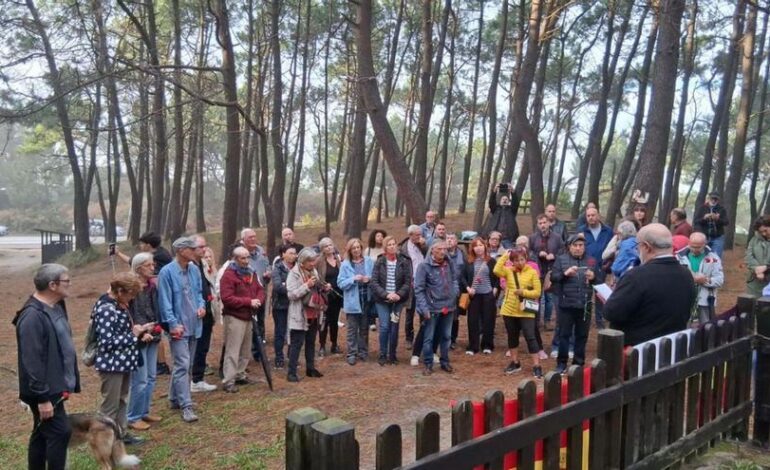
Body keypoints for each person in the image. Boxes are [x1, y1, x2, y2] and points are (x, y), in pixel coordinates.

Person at [14, 264, 81, 470]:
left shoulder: (56, 306)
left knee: (42, 432)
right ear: (52, 285)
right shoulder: (32, 316)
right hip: (45, 389)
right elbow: (32, 361)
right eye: (66, 280)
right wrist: (42, 398)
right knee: (60, 432)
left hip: (56, 384)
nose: (70, 284)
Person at [604, 224, 696, 346]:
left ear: (646, 247)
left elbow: (612, 313)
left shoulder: (636, 276)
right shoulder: (686, 274)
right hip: (672, 346)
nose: (637, 251)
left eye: (637, 246)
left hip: (639, 349)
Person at [92, 273, 153, 444]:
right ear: (119, 291)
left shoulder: (117, 305)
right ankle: (104, 441)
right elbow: (106, 342)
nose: (132, 299)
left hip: (123, 362)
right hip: (111, 365)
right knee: (110, 406)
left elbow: (120, 332)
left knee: (121, 400)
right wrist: (133, 335)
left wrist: (138, 331)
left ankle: (121, 434)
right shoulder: (106, 309)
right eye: (130, 295)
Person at [157, 237, 206, 423]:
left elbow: (199, 293)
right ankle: (186, 406)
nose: (196, 252)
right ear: (181, 251)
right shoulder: (166, 272)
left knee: (186, 365)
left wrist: (201, 306)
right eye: (192, 249)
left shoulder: (194, 269)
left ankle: (174, 398)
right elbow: (164, 302)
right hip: (179, 327)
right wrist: (172, 324)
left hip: (195, 324)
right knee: (182, 365)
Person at [219, 247, 266, 393]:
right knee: (233, 350)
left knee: (245, 350)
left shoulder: (251, 272)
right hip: (234, 317)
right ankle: (228, 380)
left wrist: (258, 300)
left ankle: (240, 374)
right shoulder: (228, 275)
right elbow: (227, 298)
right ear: (235, 259)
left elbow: (260, 289)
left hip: (249, 316)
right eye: (242, 258)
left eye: (247, 257)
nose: (246, 261)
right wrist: (248, 302)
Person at [550, 234, 598, 374]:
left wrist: (593, 277)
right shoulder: (561, 259)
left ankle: (578, 363)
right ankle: (561, 363)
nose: (578, 248)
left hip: (585, 305)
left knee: (582, 335)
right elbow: (553, 277)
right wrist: (565, 274)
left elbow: (600, 280)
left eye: (581, 245)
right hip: (566, 304)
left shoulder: (591, 260)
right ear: (569, 247)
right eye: (575, 245)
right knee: (564, 334)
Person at [126, 254, 163, 433]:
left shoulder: (152, 286)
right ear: (139, 267)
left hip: (153, 333)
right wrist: (141, 332)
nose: (152, 268)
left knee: (151, 377)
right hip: (138, 338)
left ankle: (144, 411)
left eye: (153, 265)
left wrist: (158, 325)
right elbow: (130, 315)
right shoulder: (130, 288)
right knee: (140, 380)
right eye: (149, 265)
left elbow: (155, 308)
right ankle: (133, 416)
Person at [494, 247, 543, 378]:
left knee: (530, 337)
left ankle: (537, 365)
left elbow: (537, 292)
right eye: (516, 260)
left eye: (522, 259)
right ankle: (515, 362)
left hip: (526, 310)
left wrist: (523, 292)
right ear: (512, 261)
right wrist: (505, 256)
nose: (520, 262)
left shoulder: (532, 272)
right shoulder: (508, 270)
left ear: (526, 259)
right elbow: (496, 270)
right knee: (512, 336)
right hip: (509, 310)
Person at [414, 240, 460, 375]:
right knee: (428, 337)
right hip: (432, 308)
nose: (442, 251)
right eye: (439, 249)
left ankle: (445, 361)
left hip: (449, 306)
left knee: (446, 336)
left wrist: (455, 292)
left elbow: (455, 278)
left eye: (444, 249)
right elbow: (419, 289)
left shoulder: (449, 263)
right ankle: (428, 363)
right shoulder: (424, 266)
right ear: (432, 250)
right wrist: (424, 308)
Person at [286, 248, 327, 382]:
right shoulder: (293, 274)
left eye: (314, 260)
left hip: (313, 313)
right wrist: (306, 285)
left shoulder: (313, 271)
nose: (313, 263)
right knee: (296, 344)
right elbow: (291, 295)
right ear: (302, 262)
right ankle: (291, 373)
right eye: (310, 261)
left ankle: (310, 368)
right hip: (300, 314)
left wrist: (324, 287)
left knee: (311, 342)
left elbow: (317, 288)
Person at [370, 235, 412, 365]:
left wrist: (398, 294)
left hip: (397, 302)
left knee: (394, 327)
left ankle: (392, 355)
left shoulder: (403, 261)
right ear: (385, 248)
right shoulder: (380, 261)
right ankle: (383, 354)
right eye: (389, 245)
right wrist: (386, 294)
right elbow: (374, 282)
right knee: (384, 327)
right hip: (382, 301)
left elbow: (407, 282)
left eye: (394, 244)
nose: (392, 246)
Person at [338, 238, 375, 365]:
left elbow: (375, 277)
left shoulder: (369, 261)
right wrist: (353, 279)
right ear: (350, 250)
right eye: (353, 248)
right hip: (353, 301)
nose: (356, 250)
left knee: (364, 328)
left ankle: (363, 352)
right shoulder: (345, 264)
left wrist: (369, 279)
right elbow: (340, 283)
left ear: (361, 248)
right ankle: (351, 353)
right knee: (352, 329)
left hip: (366, 299)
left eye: (358, 247)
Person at [460, 238, 499, 355]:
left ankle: (487, 345)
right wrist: (468, 288)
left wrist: (495, 289)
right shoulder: (468, 261)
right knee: (473, 321)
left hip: (488, 294)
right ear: (472, 248)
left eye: (480, 245)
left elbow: (498, 276)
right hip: (474, 295)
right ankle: (473, 346)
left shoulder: (491, 261)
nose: (478, 248)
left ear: (485, 246)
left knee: (488, 320)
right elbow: (462, 277)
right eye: (475, 246)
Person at [677, 232, 724, 324]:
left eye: (698, 247)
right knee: (683, 325)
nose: (695, 249)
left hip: (705, 300)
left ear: (705, 244)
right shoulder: (679, 257)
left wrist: (705, 280)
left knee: (706, 325)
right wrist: (689, 279)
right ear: (688, 243)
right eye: (692, 246)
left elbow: (720, 280)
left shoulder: (714, 258)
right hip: (684, 299)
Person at [190, 235, 218, 393]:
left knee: (203, 347)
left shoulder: (202, 263)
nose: (204, 249)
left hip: (207, 311)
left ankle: (198, 378)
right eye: (201, 247)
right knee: (196, 347)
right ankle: (194, 379)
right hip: (196, 313)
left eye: (205, 246)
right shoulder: (189, 266)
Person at [529, 214, 564, 329]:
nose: (543, 225)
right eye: (540, 223)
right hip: (537, 271)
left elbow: (563, 251)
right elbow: (529, 253)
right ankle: (535, 321)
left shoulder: (557, 237)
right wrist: (538, 254)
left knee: (549, 298)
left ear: (549, 223)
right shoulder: (533, 238)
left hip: (551, 271)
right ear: (537, 225)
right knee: (536, 297)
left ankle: (547, 321)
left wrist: (554, 256)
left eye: (544, 222)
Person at [580, 206, 613, 328]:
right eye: (588, 216)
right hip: (586, 267)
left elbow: (613, 248)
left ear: (598, 216)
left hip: (602, 267)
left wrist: (609, 264)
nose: (591, 218)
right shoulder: (582, 231)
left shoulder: (608, 231)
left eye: (593, 215)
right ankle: (585, 320)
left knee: (600, 295)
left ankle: (600, 321)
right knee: (586, 295)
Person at [240, 228, 271, 351]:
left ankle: (259, 348)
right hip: (247, 295)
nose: (253, 239)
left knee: (260, 319)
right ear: (243, 240)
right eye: (250, 237)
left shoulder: (261, 251)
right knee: (249, 321)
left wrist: (268, 273)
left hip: (261, 292)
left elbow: (267, 265)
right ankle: (249, 347)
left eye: (254, 236)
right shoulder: (240, 254)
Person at [400, 224, 427, 351]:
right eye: (417, 235)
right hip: (410, 284)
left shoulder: (422, 246)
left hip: (423, 284)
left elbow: (429, 256)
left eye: (420, 234)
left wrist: (424, 246)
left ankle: (423, 337)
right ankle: (409, 338)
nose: (420, 237)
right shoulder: (403, 249)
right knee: (410, 312)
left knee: (423, 311)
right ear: (410, 235)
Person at [272, 244, 298, 368]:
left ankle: (292, 356)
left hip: (295, 304)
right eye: (291, 253)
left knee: (294, 332)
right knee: (280, 332)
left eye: (295, 253)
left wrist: (287, 285)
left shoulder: (298, 267)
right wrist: (294, 289)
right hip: (280, 305)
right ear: (283, 254)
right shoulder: (277, 268)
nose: (294, 256)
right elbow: (278, 287)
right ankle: (279, 357)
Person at [317, 237, 342, 356]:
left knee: (334, 321)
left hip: (337, 295)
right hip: (325, 296)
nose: (328, 248)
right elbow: (316, 278)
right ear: (322, 249)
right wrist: (323, 286)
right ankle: (322, 345)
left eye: (330, 245)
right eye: (326, 246)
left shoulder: (338, 259)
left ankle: (334, 344)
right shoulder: (319, 261)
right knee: (324, 321)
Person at [693, 191, 730, 258]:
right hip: (704, 237)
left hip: (717, 237)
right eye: (712, 198)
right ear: (709, 198)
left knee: (716, 257)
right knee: (702, 256)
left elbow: (726, 222)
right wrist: (704, 218)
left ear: (718, 200)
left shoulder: (721, 209)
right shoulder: (702, 208)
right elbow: (696, 221)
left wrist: (717, 219)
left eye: (715, 199)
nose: (713, 200)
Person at [485, 183, 520, 248]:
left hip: (508, 239)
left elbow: (515, 203)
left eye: (506, 199)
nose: (504, 200)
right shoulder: (495, 209)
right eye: (503, 199)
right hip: (495, 238)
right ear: (500, 201)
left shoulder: (511, 210)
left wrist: (513, 192)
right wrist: (494, 191)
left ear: (508, 202)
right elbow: (491, 202)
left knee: (509, 252)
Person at [446, 232, 466, 349]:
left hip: (458, 290)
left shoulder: (462, 254)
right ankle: (444, 337)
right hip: (444, 290)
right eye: (447, 238)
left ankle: (453, 339)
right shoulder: (442, 253)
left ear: (456, 242)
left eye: (452, 238)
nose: (449, 240)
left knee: (455, 316)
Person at [745, 215, 770, 297]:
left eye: (765, 230)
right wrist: (756, 269)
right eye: (761, 232)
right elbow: (748, 257)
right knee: (751, 303)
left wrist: (766, 267)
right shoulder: (754, 240)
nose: (764, 234)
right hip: (755, 281)